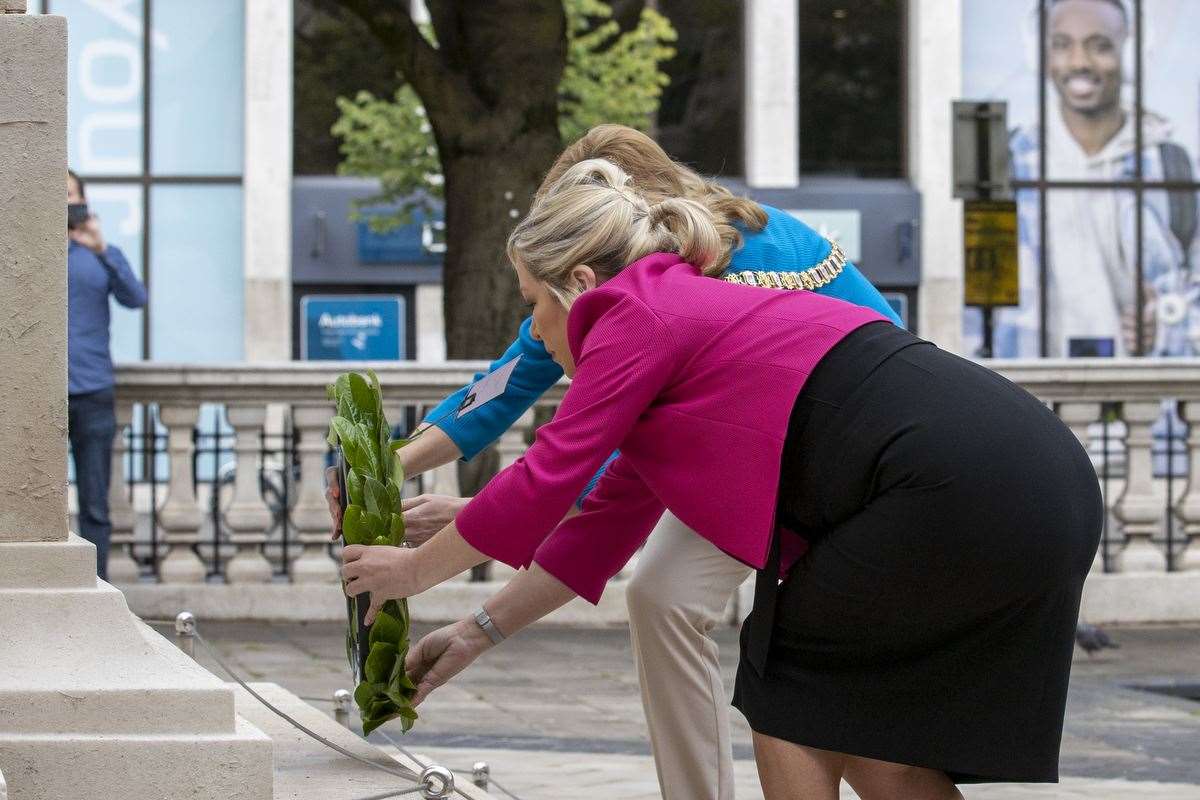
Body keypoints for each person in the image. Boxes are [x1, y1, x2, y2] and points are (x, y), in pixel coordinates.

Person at [341, 158, 1103, 798]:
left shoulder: (635, 315)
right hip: (1042, 476)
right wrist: (474, 634)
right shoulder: (678, 320)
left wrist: (409, 572)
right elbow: (596, 528)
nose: (536, 330)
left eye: (535, 306)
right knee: (872, 738)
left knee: (791, 687)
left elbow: (547, 471)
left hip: (948, 483)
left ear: (578, 280)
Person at [328, 125, 901, 800]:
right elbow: (506, 380)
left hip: (836, 451)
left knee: (803, 689)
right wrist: (390, 464)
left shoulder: (695, 272)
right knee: (661, 596)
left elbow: (622, 471)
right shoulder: (596, 280)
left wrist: (461, 534)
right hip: (778, 445)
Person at [991, 0, 1200, 358]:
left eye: (1100, 45)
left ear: (1130, 54)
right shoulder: (1009, 163)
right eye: (1061, 44)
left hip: (1143, 406)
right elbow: (976, 305)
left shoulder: (1172, 166)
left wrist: (1164, 331)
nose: (1079, 62)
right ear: (1040, 54)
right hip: (1030, 401)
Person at [66, 170, 147, 580]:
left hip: (92, 390)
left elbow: (136, 298)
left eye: (69, 194)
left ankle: (95, 587)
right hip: (32, 395)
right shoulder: (22, 252)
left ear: (82, 201)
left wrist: (101, 249)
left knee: (95, 501)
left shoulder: (101, 253)